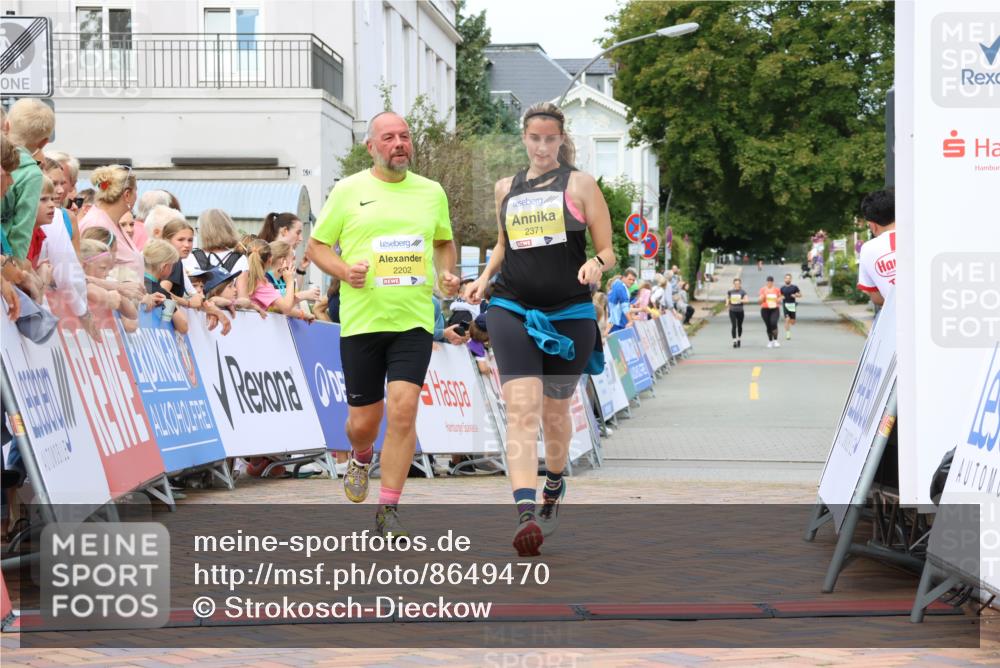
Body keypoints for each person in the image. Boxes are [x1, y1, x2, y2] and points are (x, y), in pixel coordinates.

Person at [463, 101, 615, 556]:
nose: (543, 146)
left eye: (551, 139)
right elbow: (503, 245)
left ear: (562, 139)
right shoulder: (505, 188)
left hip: (570, 313)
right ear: (524, 138)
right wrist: (484, 279)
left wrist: (594, 263)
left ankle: (553, 481)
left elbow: (609, 250)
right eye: (535, 138)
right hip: (512, 306)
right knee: (521, 409)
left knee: (554, 416)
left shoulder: (582, 185)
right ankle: (525, 513)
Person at [306, 111, 459, 541]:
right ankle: (359, 455)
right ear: (371, 146)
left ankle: (388, 508)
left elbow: (444, 242)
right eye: (388, 137)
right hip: (362, 322)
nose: (399, 143)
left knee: (405, 407)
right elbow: (317, 247)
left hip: (413, 319)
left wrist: (447, 275)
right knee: (362, 423)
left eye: (405, 136)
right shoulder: (348, 190)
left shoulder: (431, 192)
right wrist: (343, 270)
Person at [2, 99, 54, 259]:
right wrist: (18, 264)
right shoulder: (32, 173)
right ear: (44, 142)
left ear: (7, 126)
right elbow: (23, 226)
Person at [79, 165, 144, 283]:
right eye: (136, 191)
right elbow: (89, 277)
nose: (137, 196)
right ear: (127, 194)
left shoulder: (112, 222)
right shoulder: (96, 224)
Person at [245, 237, 315, 321]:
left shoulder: (246, 277)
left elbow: (280, 307)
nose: (294, 262)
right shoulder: (263, 284)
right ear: (282, 261)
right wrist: (290, 282)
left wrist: (303, 314)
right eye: (293, 259)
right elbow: (285, 308)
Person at [857, 188, 896, 306]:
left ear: (872, 225)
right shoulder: (919, 236)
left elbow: (877, 298)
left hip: (897, 320)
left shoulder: (868, 249)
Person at [141, 239, 188, 334]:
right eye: (172, 266)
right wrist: (173, 304)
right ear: (164, 266)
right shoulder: (161, 294)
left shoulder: (133, 282)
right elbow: (183, 327)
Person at [607, 268, 635, 333]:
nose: (631, 282)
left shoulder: (622, 291)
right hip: (617, 326)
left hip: (620, 325)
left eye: (633, 280)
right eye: (629, 279)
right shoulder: (619, 291)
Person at [759, 275, 782, 348]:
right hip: (765, 309)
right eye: (768, 282)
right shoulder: (763, 289)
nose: (769, 283)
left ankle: (775, 340)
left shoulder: (776, 290)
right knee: (768, 326)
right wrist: (762, 298)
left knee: (773, 323)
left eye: (771, 282)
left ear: (773, 282)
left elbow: (780, 297)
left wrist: (779, 299)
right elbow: (760, 301)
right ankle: (770, 341)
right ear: (766, 282)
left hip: (774, 309)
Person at [727, 277, 748, 348]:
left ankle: (739, 338)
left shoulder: (743, 292)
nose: (737, 285)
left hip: (740, 311)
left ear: (740, 284)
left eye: (738, 284)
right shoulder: (730, 291)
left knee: (739, 326)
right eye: (735, 284)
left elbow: (746, 300)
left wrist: (740, 300)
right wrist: (727, 303)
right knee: (734, 325)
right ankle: (734, 341)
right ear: (733, 284)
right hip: (732, 310)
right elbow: (727, 298)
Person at [780, 273, 802, 340]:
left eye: (789, 278)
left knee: (792, 322)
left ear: (791, 279)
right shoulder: (782, 288)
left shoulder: (794, 287)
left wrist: (795, 295)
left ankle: (790, 320)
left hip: (792, 304)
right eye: (786, 278)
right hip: (785, 304)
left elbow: (800, 295)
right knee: (787, 319)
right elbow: (779, 296)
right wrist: (781, 297)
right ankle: (788, 334)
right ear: (784, 279)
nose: (787, 279)